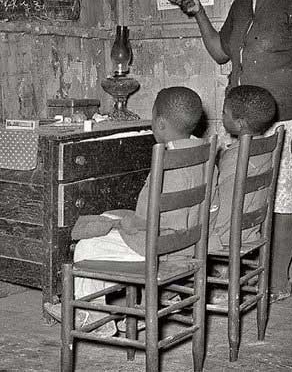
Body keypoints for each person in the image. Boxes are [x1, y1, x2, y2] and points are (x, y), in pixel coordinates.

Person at [168, 0, 292, 302]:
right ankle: (233, 275)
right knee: (233, 199)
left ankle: (278, 279)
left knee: (284, 202)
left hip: (283, 125)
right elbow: (221, 52)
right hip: (237, 125)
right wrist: (198, 13)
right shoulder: (243, 1)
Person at [45, 86, 208, 337]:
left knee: (87, 247)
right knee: (111, 220)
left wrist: (124, 223)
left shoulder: (164, 160)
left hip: (159, 248)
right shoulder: (204, 151)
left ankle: (93, 316)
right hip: (189, 244)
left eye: (152, 118)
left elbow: (145, 222)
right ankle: (141, 306)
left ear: (161, 123)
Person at [209, 84, 277, 252]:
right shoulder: (264, 149)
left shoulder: (236, 156)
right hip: (250, 232)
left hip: (224, 236)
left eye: (224, 113)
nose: (222, 115)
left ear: (239, 123)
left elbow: (220, 204)